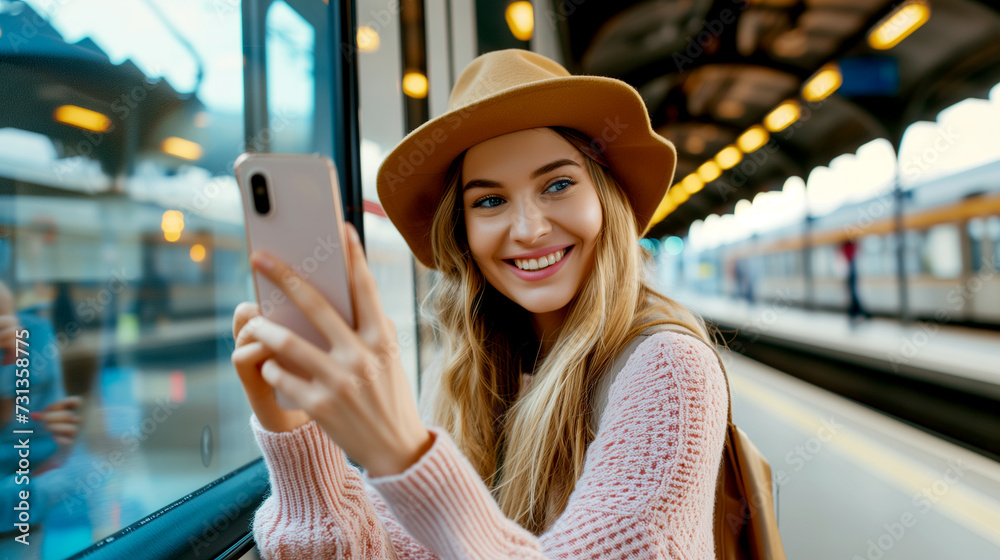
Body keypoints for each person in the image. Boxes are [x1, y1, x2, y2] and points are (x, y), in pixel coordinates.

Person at [231, 49, 728, 559]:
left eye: (558, 184)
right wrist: (294, 434)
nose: (530, 229)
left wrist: (403, 452)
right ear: (462, 232)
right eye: (489, 201)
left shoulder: (669, 369)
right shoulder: (456, 377)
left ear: (606, 199)